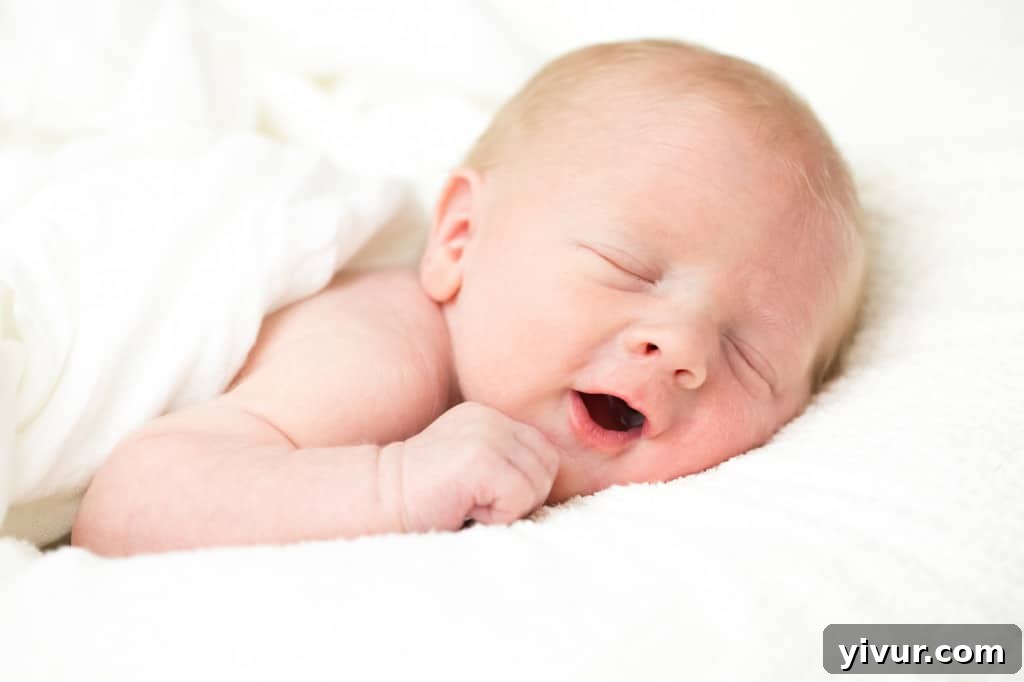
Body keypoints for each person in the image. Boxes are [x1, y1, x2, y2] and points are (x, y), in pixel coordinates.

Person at [71, 39, 866, 556]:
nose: (684, 347)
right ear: (458, 241)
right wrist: (395, 485)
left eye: (749, 355)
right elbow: (129, 507)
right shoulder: (384, 349)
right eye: (627, 267)